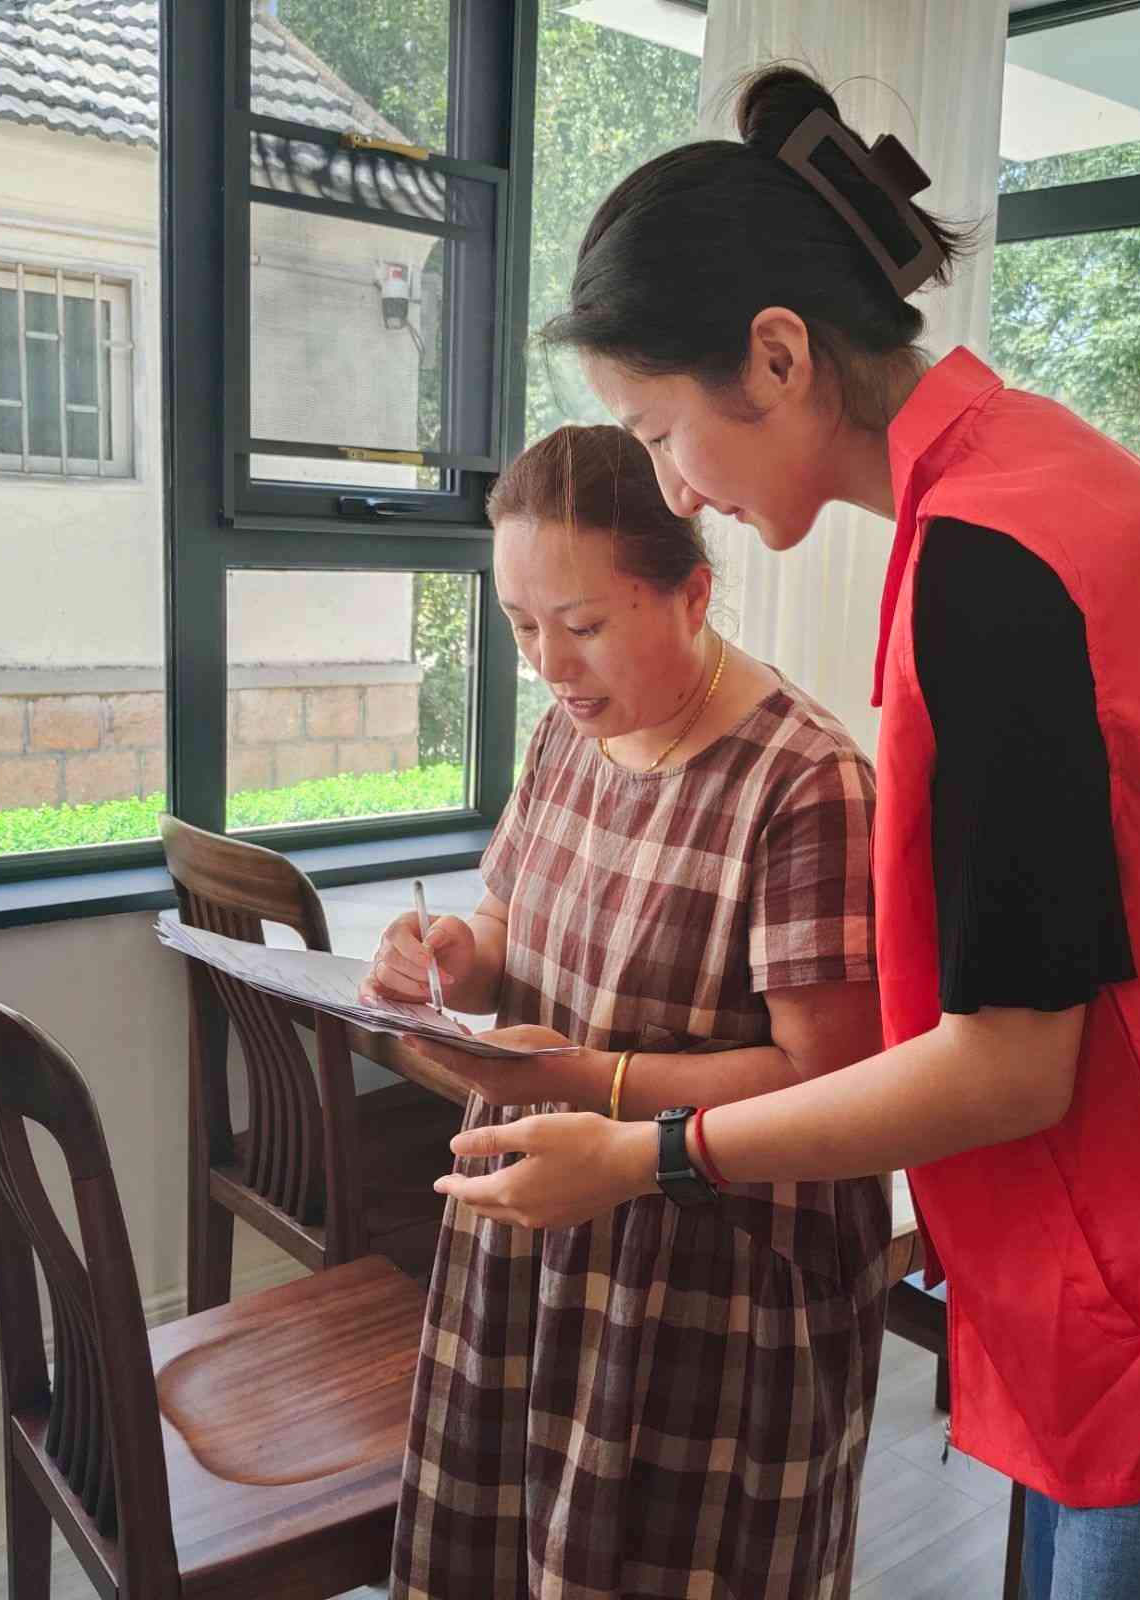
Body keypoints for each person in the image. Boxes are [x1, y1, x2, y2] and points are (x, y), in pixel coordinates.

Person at [417, 67, 1140, 1600]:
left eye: (661, 427)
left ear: (777, 356)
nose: (674, 481)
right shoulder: (1046, 474)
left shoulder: (991, 567)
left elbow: (1010, 1067)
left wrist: (643, 1155)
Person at [367, 424, 891, 1600]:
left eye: (586, 624)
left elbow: (828, 1084)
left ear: (693, 594)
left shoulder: (805, 782)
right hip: (537, 1226)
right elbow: (504, 926)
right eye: (521, 625)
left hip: (709, 1277)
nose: (550, 664)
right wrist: (452, 957)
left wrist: (574, 1074)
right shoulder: (570, 732)